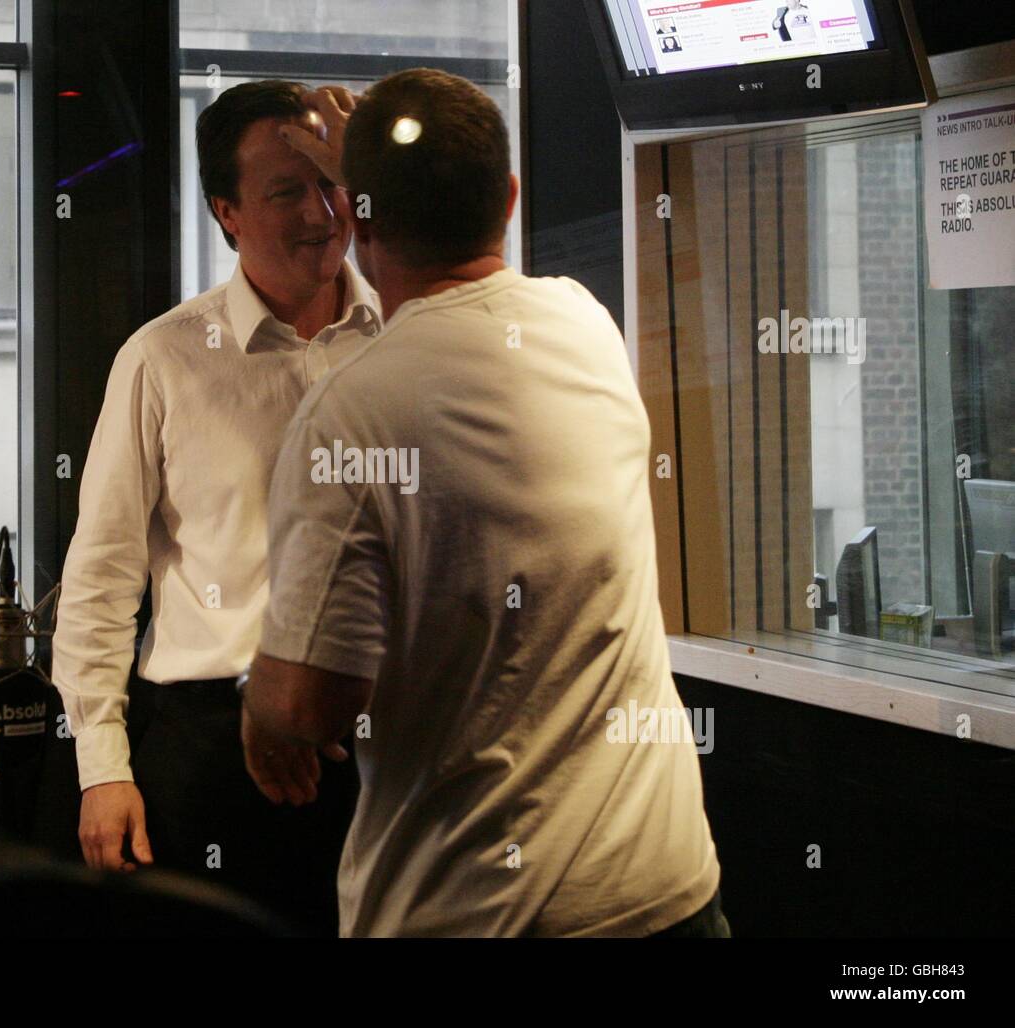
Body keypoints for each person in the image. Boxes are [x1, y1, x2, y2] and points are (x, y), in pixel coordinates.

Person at [240, 70, 727, 937]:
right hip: (668, 894)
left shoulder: (349, 411)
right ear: (507, 197)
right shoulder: (586, 326)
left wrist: (260, 705)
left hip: (473, 914)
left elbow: (313, 705)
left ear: (356, 223)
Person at [50, 79, 381, 935]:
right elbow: (100, 576)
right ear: (226, 213)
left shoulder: (410, 341)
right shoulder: (163, 361)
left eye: (331, 183)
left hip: (392, 746)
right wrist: (102, 768)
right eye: (285, 191)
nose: (322, 210)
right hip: (213, 755)